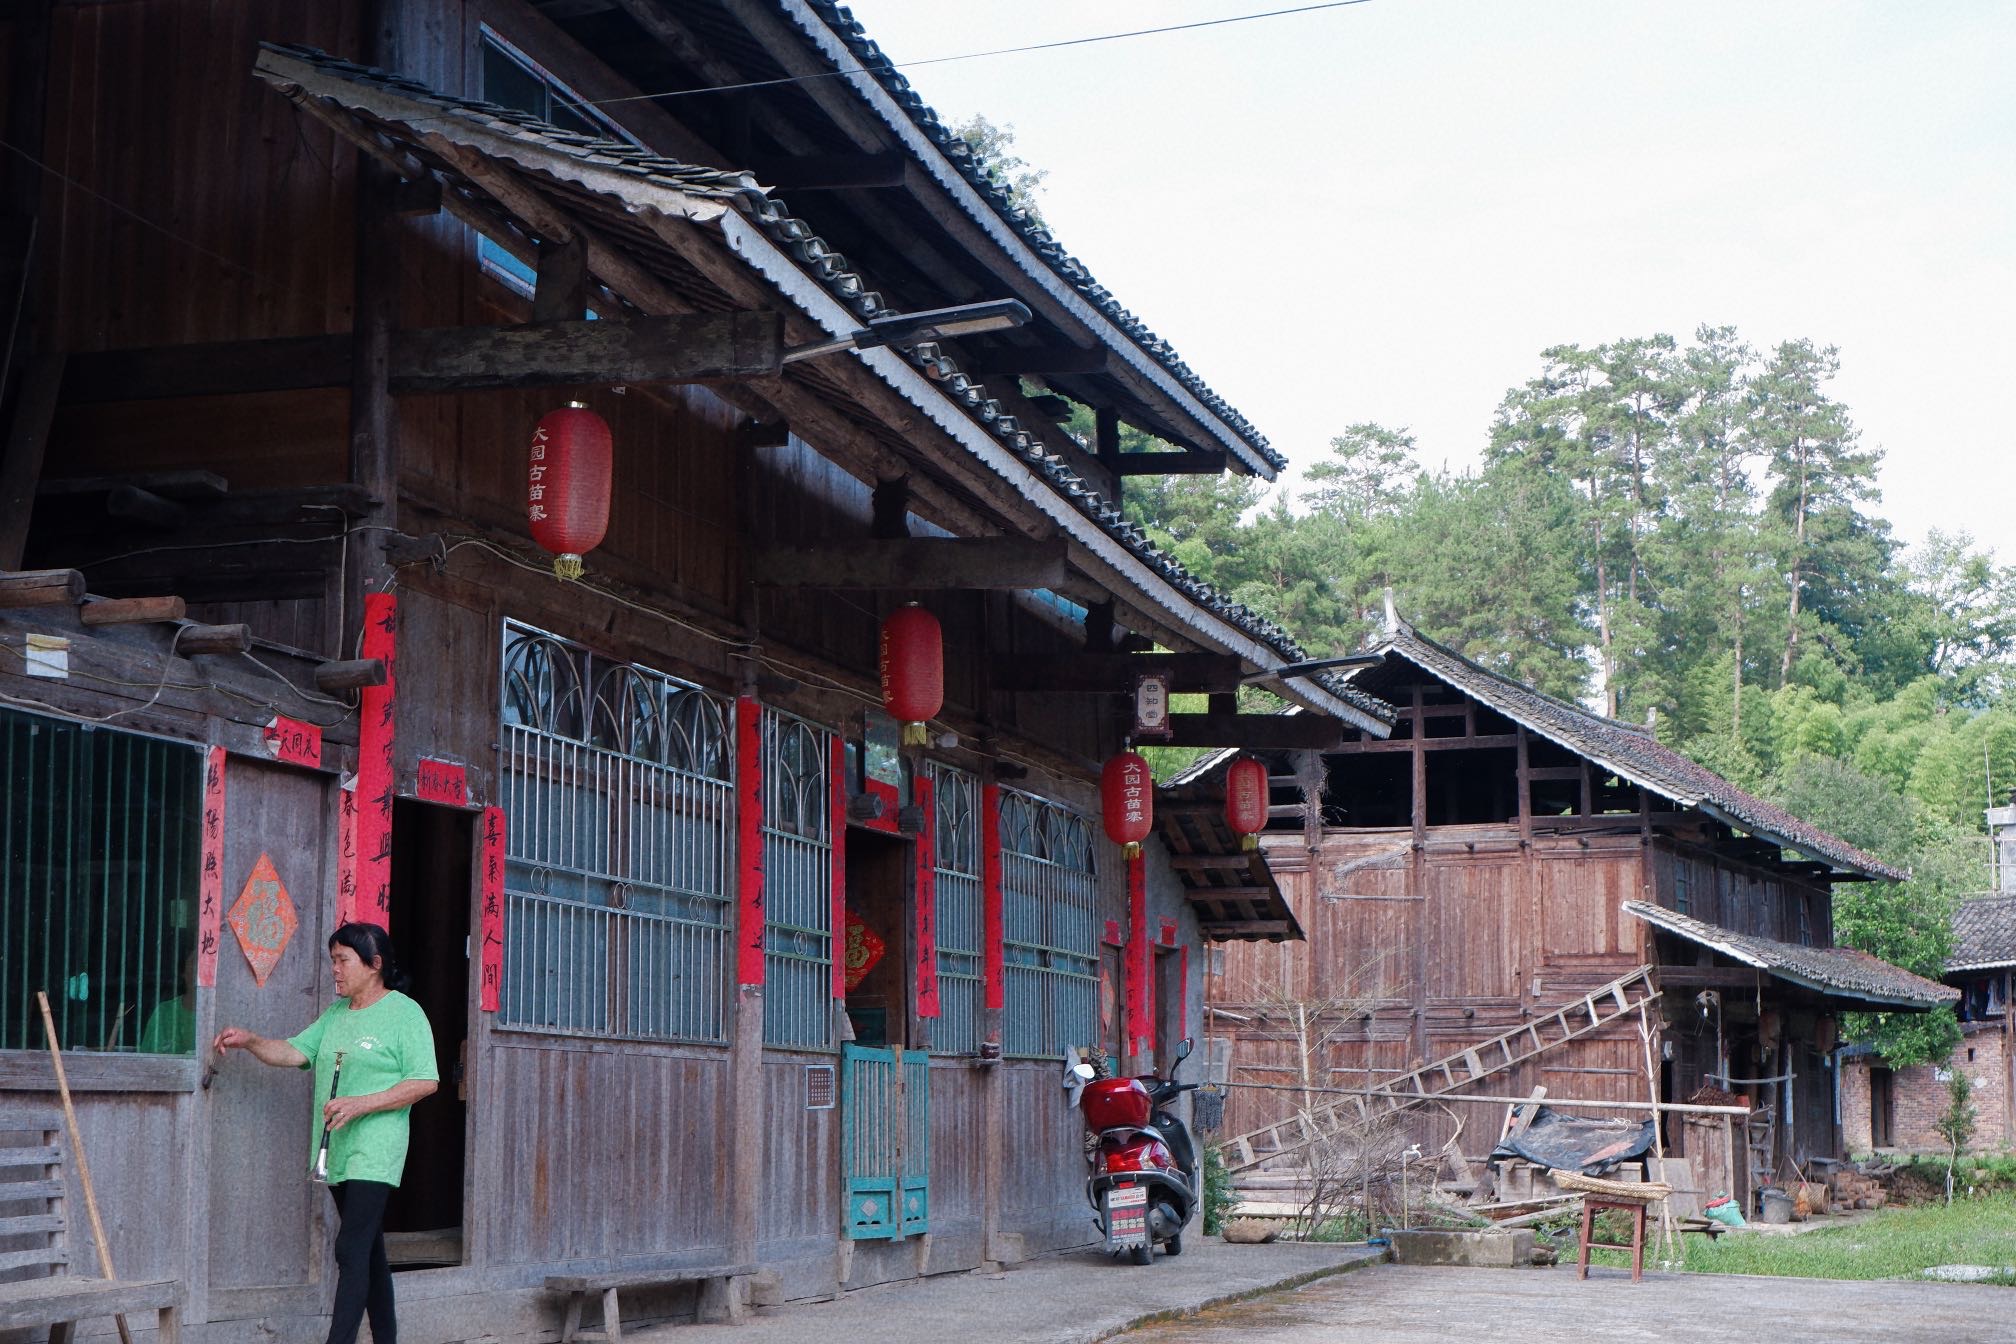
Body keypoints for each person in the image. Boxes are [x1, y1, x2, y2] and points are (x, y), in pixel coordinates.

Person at [213, 923, 438, 1344]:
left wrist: (360, 1103)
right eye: (332, 960)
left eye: (343, 961)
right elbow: (295, 1052)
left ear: (374, 966)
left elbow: (425, 1081)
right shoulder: (336, 1015)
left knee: (350, 1249)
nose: (334, 969)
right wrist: (252, 1041)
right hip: (337, 1148)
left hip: (376, 1148)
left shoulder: (405, 1013)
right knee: (369, 1254)